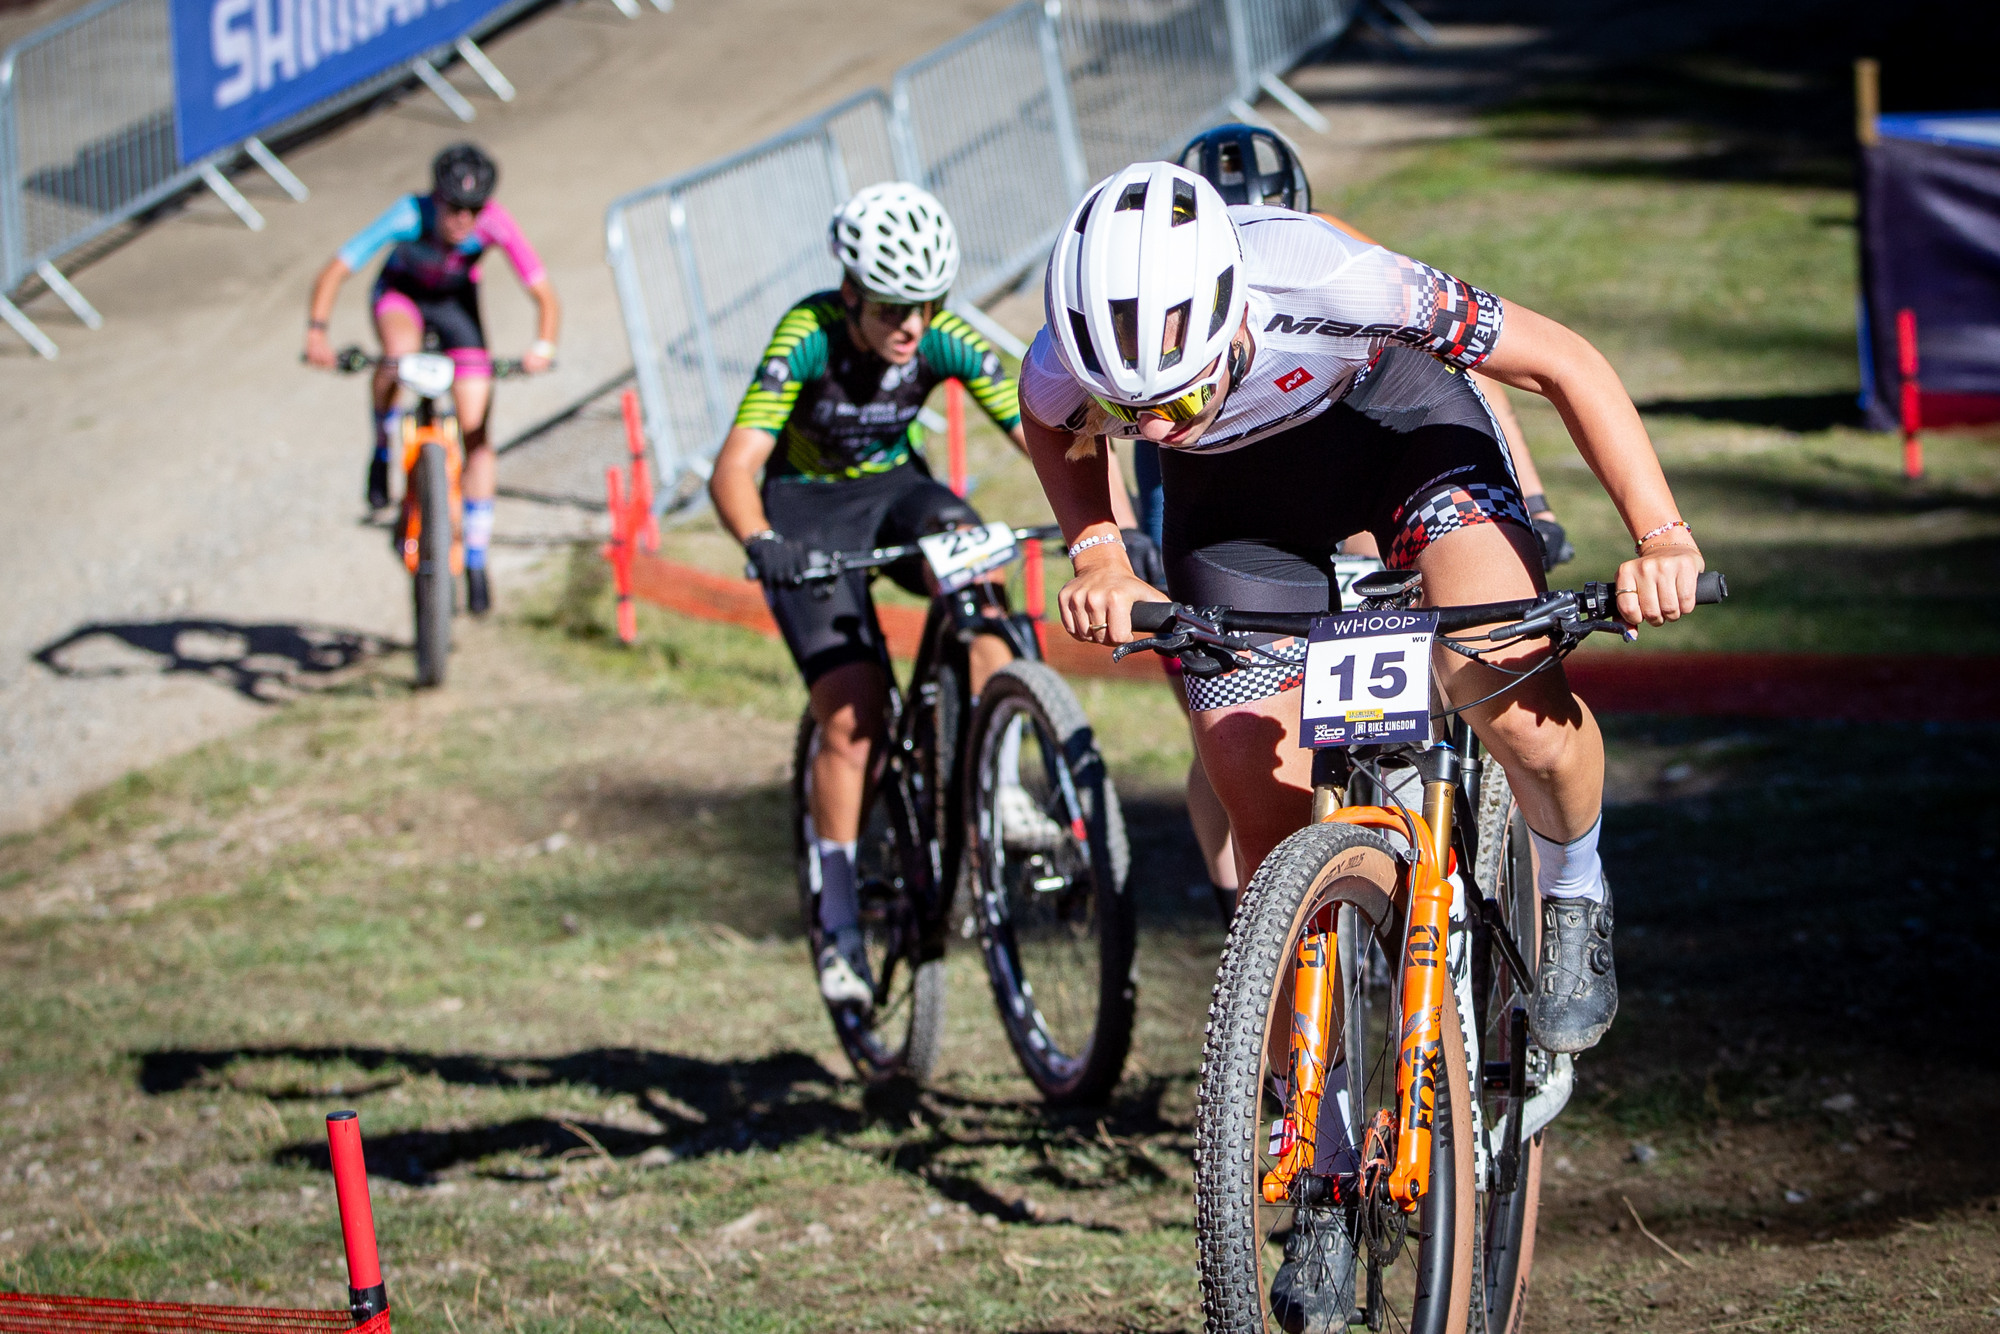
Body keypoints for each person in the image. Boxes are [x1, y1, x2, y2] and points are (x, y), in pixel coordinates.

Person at [707, 183, 1036, 1009]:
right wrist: (761, 543)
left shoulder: (940, 337)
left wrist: (1105, 531)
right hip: (805, 515)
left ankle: (999, 779)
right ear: (850, 290)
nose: (912, 326)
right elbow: (735, 467)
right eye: (892, 306)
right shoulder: (808, 335)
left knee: (972, 560)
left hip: (895, 492)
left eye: (927, 304)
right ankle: (841, 914)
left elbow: (1039, 433)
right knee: (853, 721)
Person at [304, 143, 560, 616]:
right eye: (453, 207)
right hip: (402, 296)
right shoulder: (407, 214)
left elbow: (543, 293)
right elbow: (337, 269)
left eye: (473, 210)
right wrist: (317, 333)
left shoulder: (494, 223)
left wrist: (541, 348)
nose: (462, 219)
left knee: (476, 428)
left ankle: (478, 559)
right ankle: (383, 446)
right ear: (435, 198)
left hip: (456, 307)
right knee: (397, 357)